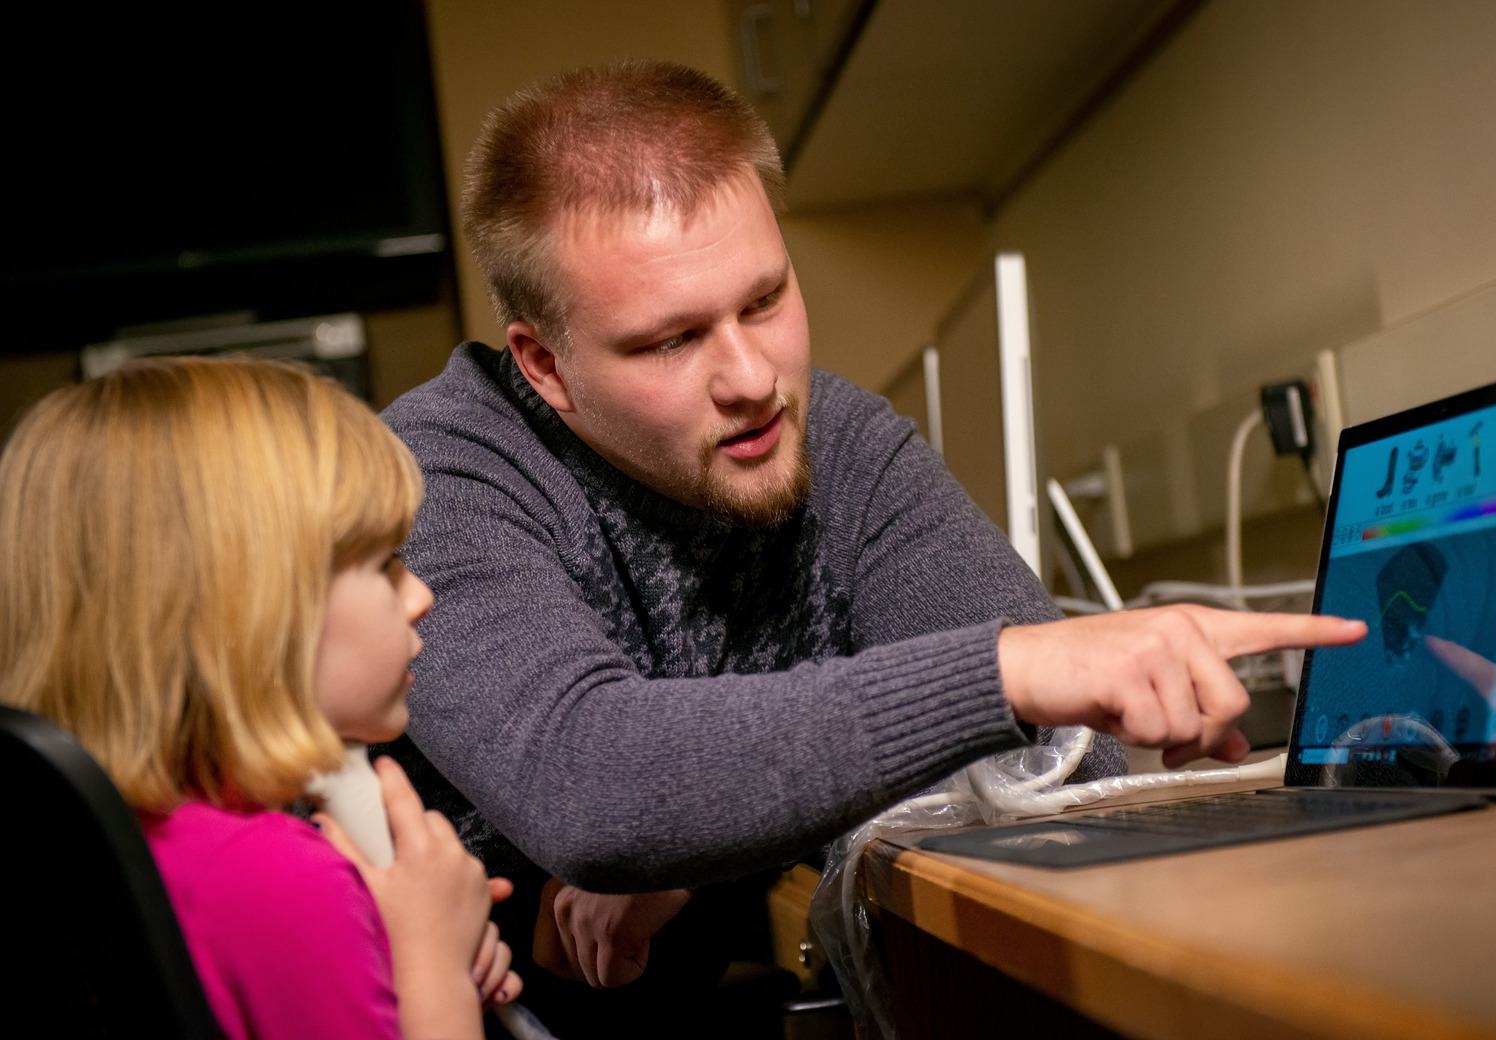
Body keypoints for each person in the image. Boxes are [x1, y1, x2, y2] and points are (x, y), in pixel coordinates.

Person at [380, 60, 1365, 1032]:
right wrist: (1011, 670)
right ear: (545, 364)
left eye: (764, 299)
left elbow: (1065, 766)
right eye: (673, 340)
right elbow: (595, 782)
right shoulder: (439, 472)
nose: (752, 375)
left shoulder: (835, 439)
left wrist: (700, 842)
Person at [0, 357, 523, 1040]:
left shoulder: (136, 837)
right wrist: (433, 968)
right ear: (255, 611)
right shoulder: (275, 881)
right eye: (385, 565)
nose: (420, 597)